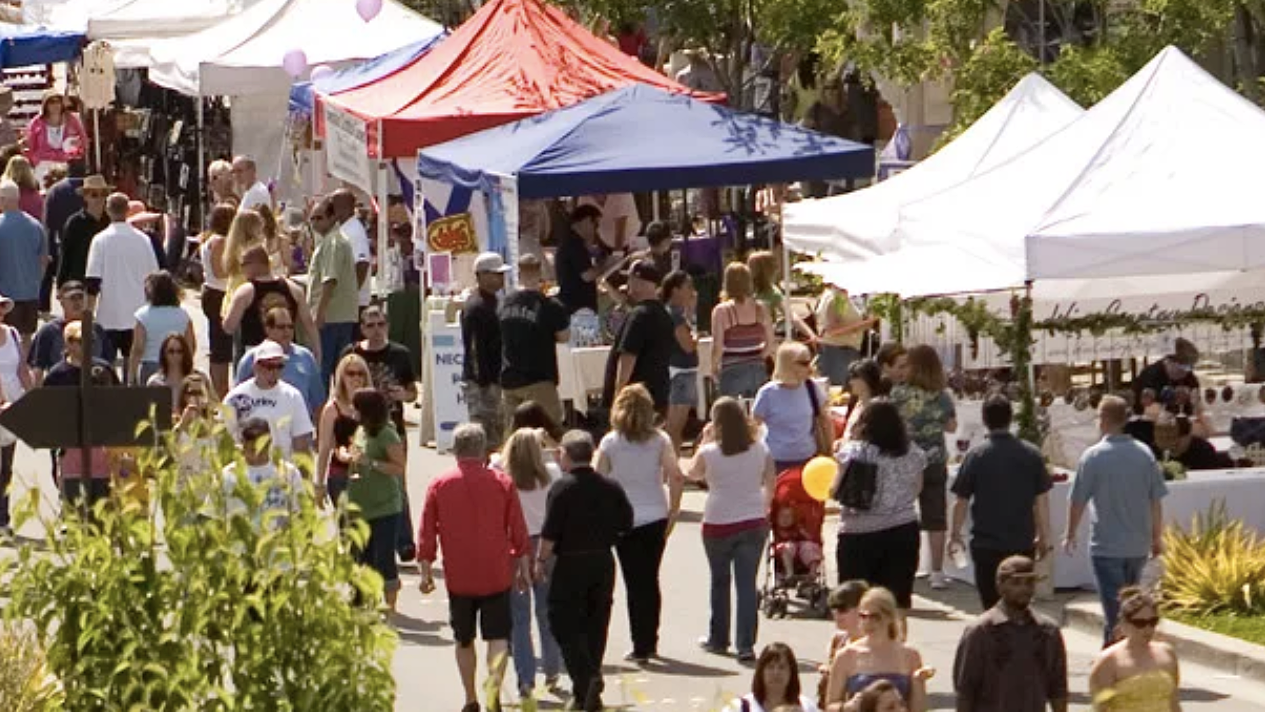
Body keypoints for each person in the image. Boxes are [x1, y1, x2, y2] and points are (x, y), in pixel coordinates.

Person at [418, 423, 531, 712]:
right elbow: (518, 529)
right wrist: (523, 565)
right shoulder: (502, 483)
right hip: (496, 572)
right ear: (483, 449)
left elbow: (427, 530)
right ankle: (493, 693)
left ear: (456, 450)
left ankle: (470, 698)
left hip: (460, 576)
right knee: (498, 637)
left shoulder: (439, 484)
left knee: (463, 638)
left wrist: (426, 570)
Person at [536, 430, 634, 712]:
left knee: (562, 620)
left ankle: (586, 676)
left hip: (570, 561)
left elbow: (550, 531)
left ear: (565, 455)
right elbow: (626, 523)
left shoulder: (562, 488)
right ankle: (586, 691)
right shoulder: (610, 486)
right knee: (595, 622)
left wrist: (541, 561)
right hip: (602, 560)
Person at [1064, 395, 1168, 646]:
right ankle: (1118, 653)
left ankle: (1118, 658)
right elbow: (1155, 500)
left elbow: (1077, 500)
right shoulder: (1145, 454)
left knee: (1117, 611)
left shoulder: (1093, 457)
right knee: (1129, 605)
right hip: (1137, 544)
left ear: (1104, 420)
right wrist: (1156, 537)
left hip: (1106, 545)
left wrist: (1070, 532)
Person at [595, 383, 684, 663]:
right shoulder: (660, 440)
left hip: (624, 519)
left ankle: (640, 645)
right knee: (650, 579)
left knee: (634, 582)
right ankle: (650, 640)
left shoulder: (610, 441)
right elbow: (676, 476)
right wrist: (674, 509)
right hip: (655, 515)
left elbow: (599, 478)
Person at [689, 396, 775, 661]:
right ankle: (745, 644)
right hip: (752, 519)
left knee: (720, 581)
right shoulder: (760, 448)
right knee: (747, 584)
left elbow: (693, 474)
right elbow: (771, 480)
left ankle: (719, 638)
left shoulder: (709, 452)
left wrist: (704, 440)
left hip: (718, 521)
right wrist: (765, 507)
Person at [950, 394, 1053, 610]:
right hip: (1022, 542)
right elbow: (1042, 500)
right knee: (1020, 604)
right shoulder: (1031, 454)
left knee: (990, 606)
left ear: (984, 419)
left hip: (986, 543)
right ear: (1011, 418)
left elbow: (961, 500)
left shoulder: (976, 455)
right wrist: (1044, 536)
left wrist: (955, 534)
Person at [832, 400, 925, 609]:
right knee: (894, 605)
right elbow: (917, 487)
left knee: (854, 604)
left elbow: (836, 489)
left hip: (858, 534)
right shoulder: (913, 452)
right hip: (903, 529)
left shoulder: (854, 452)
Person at [343, 305, 418, 559]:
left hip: (392, 427)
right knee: (360, 481)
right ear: (362, 328)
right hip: (359, 429)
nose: (376, 331)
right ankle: (363, 540)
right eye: (370, 325)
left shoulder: (399, 354)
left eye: (380, 325)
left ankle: (404, 541)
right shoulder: (351, 354)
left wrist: (404, 394)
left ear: (387, 326)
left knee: (397, 481)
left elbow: (413, 392)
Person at [953, 555, 1069, 712]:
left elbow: (1058, 687)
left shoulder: (1048, 631)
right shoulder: (981, 631)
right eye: (1016, 583)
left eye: (1029, 583)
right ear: (1000, 586)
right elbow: (965, 690)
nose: (1024, 589)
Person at [500, 429, 564, 699]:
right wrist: (547, 439)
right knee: (546, 611)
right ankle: (552, 668)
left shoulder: (504, 478)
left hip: (516, 546)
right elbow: (561, 454)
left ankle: (525, 678)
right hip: (546, 545)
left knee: (519, 618)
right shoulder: (551, 473)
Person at [890, 344, 957, 590]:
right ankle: (937, 572)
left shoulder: (898, 394)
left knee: (901, 515)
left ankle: (905, 567)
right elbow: (951, 426)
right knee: (935, 517)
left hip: (905, 460)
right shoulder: (941, 395)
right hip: (934, 459)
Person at [345, 388, 407, 611]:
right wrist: (348, 456)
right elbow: (358, 453)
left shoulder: (387, 433)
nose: (352, 410)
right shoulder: (361, 430)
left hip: (385, 507)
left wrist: (370, 463)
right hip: (361, 505)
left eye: (356, 407)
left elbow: (398, 467)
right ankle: (362, 601)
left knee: (383, 558)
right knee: (362, 557)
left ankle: (391, 605)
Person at [85, 192, 159, 373]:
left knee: (106, 367)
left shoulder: (100, 240)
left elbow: (93, 281)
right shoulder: (143, 240)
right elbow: (154, 277)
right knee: (133, 364)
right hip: (138, 314)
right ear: (128, 210)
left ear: (107, 210)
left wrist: (88, 314)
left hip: (108, 315)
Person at [824, 588, 925, 712]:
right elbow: (830, 705)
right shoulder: (846, 655)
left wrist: (918, 683)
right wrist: (847, 707)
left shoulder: (910, 655)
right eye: (863, 616)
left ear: (889, 617)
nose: (868, 622)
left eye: (875, 617)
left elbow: (918, 709)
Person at [498, 253, 570, 427]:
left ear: (519, 274)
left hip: (509, 378)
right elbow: (564, 336)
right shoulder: (550, 305)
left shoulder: (505, 303)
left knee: (514, 436)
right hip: (539, 378)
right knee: (549, 432)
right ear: (540, 273)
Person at [1089, 587, 1181, 712]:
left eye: (1153, 622)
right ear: (1124, 624)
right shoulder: (1109, 661)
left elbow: (1174, 702)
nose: (1147, 629)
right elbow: (1100, 707)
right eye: (1140, 623)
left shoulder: (1167, 653)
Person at [602, 260, 674, 413]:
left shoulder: (639, 315)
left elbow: (628, 358)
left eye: (631, 279)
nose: (627, 284)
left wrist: (618, 399)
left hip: (634, 403)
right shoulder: (664, 315)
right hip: (658, 397)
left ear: (641, 282)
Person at [223, 245, 318, 362]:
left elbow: (229, 327)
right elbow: (309, 323)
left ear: (255, 263)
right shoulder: (293, 288)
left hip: (255, 355)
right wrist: (317, 352)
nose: (242, 269)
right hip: (287, 354)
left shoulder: (245, 292)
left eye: (243, 264)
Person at [222, 340, 315, 459]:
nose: (275, 372)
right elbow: (224, 438)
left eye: (279, 366)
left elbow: (301, 442)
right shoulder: (236, 397)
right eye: (270, 367)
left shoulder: (293, 396)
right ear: (256, 367)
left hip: (282, 469)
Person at [754, 342, 833, 472]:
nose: (810, 367)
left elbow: (825, 419)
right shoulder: (767, 392)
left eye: (811, 361)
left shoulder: (811, 387)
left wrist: (829, 451)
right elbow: (754, 425)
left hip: (808, 460)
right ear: (788, 365)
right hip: (775, 461)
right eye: (804, 363)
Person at [305, 197, 358, 385]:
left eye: (319, 218)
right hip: (340, 316)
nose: (315, 223)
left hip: (331, 317)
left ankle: (323, 411)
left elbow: (330, 280)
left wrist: (319, 314)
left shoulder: (333, 243)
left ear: (332, 217)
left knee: (323, 369)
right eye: (312, 219)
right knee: (340, 369)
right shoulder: (332, 240)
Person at [218, 417, 305, 530]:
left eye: (262, 448)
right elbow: (215, 516)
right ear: (242, 445)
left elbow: (300, 514)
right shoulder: (228, 475)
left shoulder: (289, 473)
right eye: (252, 450)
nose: (256, 456)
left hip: (278, 543)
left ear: (270, 442)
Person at [236, 306, 323, 416]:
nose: (287, 331)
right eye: (281, 327)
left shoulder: (305, 357)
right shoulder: (251, 359)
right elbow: (238, 400)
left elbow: (318, 401)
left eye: (290, 327)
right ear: (268, 329)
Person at [461, 252, 510, 448]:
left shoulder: (494, 301)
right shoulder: (476, 307)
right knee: (483, 435)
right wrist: (483, 383)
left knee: (497, 434)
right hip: (482, 383)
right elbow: (473, 348)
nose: (501, 278)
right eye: (496, 274)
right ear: (481, 275)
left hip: (494, 378)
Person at [712, 262, 774, 399]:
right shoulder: (761, 309)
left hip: (732, 371)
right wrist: (757, 358)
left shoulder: (722, 311)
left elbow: (718, 347)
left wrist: (713, 368)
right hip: (757, 370)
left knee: (732, 415)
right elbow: (770, 345)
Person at [28, 280, 108, 384]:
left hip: (95, 388)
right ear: (62, 301)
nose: (77, 302)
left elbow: (108, 364)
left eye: (80, 297)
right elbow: (37, 369)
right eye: (72, 298)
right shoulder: (49, 331)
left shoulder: (97, 330)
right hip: (61, 388)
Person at [317, 353, 370, 507]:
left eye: (360, 373)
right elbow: (324, 448)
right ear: (341, 377)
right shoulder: (331, 409)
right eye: (350, 373)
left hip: (370, 475)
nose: (356, 378)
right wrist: (319, 484)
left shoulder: (373, 404)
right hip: (340, 475)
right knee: (347, 528)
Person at [0, 179, 48, 345]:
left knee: (6, 338)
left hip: (5, 295)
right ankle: (23, 364)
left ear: (3, 199)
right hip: (30, 292)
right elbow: (43, 260)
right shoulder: (35, 226)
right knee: (26, 336)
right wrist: (36, 283)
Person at [1131, 337, 1209, 437]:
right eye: (1183, 367)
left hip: (1180, 430)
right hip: (1151, 430)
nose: (1186, 371)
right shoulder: (1151, 376)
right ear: (1168, 361)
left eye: (1190, 367)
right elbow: (1151, 412)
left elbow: (1197, 408)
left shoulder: (1190, 378)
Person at [0, 293, 32, 534]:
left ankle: (3, 516)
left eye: (2, 307)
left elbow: (22, 368)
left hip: (13, 405)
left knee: (7, 465)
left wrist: (34, 398)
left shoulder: (11, 334)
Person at [128, 270, 194, 384]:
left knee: (150, 401)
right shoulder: (183, 315)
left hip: (150, 366)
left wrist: (131, 375)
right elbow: (190, 345)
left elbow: (138, 348)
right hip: (176, 365)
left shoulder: (143, 315)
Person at [200, 203, 236, 397]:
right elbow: (219, 271)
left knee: (218, 344)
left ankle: (220, 389)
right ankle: (220, 390)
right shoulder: (220, 242)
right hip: (218, 294)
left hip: (213, 292)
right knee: (220, 348)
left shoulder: (210, 239)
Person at [726, 642, 823, 712]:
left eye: (782, 667)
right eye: (770, 667)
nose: (776, 672)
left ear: (791, 673)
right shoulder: (739, 707)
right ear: (761, 672)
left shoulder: (806, 707)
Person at [662, 270, 699, 451]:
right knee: (674, 428)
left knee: (674, 428)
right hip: (681, 373)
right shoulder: (675, 315)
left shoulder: (676, 314)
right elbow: (688, 345)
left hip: (680, 372)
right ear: (675, 290)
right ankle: (670, 469)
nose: (692, 291)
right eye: (688, 287)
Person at [819, 581, 870, 709]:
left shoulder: (876, 642)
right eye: (833, 608)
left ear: (862, 608)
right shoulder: (838, 640)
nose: (836, 614)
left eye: (842, 609)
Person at [749, 250, 815, 342]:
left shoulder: (742, 288)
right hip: (764, 339)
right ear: (768, 271)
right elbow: (790, 316)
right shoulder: (772, 292)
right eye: (774, 267)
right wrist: (809, 333)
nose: (777, 270)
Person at [817, 284, 876, 386]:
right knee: (840, 389)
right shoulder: (835, 298)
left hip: (845, 349)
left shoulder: (840, 296)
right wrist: (862, 325)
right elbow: (832, 330)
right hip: (838, 352)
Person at [57, 174, 109, 287]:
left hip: (106, 285)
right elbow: (66, 256)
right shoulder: (74, 223)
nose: (100, 198)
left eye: (104, 194)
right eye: (94, 194)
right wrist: (61, 286)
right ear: (85, 197)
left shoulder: (110, 222)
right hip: (81, 284)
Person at [555, 204, 603, 314]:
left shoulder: (572, 241)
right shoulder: (574, 243)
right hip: (578, 307)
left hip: (574, 306)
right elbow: (587, 275)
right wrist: (605, 265)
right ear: (586, 220)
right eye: (595, 224)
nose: (596, 230)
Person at [331, 189, 372, 313]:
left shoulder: (354, 231)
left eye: (333, 206)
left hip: (354, 304)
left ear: (343, 207)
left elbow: (362, 264)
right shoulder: (344, 229)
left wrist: (350, 296)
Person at [27, 91, 87, 169]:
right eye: (51, 102)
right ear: (45, 105)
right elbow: (31, 147)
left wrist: (78, 146)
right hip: (43, 165)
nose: (55, 105)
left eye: (58, 101)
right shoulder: (36, 123)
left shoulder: (72, 119)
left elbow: (83, 141)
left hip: (69, 164)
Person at [146, 333, 203, 409]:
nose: (175, 355)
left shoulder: (197, 379)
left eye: (180, 351)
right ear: (164, 354)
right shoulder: (155, 382)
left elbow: (212, 405)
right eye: (171, 351)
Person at [577, 193, 641, 253]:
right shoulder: (584, 196)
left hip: (630, 240)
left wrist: (617, 256)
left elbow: (620, 233)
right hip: (605, 241)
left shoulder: (621, 193)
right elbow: (585, 227)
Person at [842, 359, 884, 445]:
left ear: (866, 380)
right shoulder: (858, 404)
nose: (850, 382)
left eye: (855, 377)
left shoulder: (876, 410)